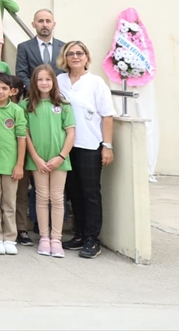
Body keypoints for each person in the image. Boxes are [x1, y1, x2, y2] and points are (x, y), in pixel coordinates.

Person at [56, 41, 114, 260]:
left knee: (90, 193)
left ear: (87, 57)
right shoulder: (59, 81)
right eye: (70, 53)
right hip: (66, 146)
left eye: (79, 53)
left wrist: (107, 146)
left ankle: (92, 239)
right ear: (65, 58)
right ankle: (79, 234)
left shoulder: (96, 83)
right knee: (74, 193)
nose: (75, 57)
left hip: (89, 145)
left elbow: (107, 116)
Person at [25, 64, 75, 258]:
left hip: (59, 160)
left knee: (57, 197)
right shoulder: (27, 105)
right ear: (34, 82)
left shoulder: (63, 105)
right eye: (40, 79)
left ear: (53, 81)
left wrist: (61, 157)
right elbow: (25, 135)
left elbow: (71, 133)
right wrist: (36, 158)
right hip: (38, 160)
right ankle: (44, 237)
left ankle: (56, 238)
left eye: (48, 79)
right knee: (41, 196)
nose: (44, 83)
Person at [0, 73, 27, 255]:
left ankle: (9, 238)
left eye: (4, 88)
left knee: (9, 202)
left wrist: (19, 165)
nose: (0, 91)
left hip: (10, 165)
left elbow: (22, 139)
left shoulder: (16, 110)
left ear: (12, 91)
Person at [16, 9, 65, 86]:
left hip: (59, 91)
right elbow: (21, 74)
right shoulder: (24, 47)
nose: (44, 25)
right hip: (33, 92)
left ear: (54, 25)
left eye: (48, 21)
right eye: (40, 21)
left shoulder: (64, 47)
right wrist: (35, 90)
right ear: (33, 24)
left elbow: (67, 72)